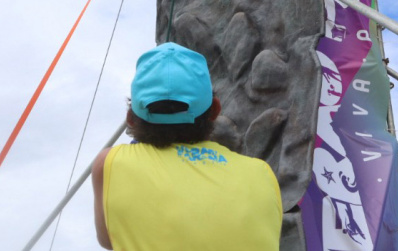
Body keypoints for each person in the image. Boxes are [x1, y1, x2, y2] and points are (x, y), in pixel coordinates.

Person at [91, 42, 282, 251]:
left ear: (131, 119)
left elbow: (109, 239)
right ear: (215, 110)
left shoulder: (109, 164)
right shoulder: (262, 173)